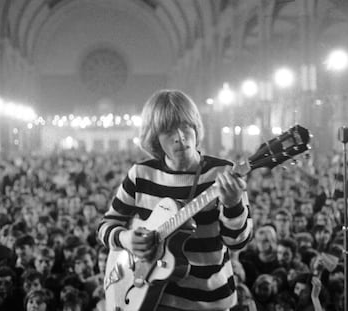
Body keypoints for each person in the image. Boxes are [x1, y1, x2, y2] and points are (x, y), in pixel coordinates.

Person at [97, 89, 252, 311]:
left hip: (208, 301)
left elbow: (239, 242)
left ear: (196, 128)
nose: (179, 136)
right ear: (154, 138)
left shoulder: (223, 173)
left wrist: (233, 205)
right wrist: (125, 238)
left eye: (185, 126)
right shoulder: (141, 174)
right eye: (168, 130)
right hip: (151, 299)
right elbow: (106, 225)